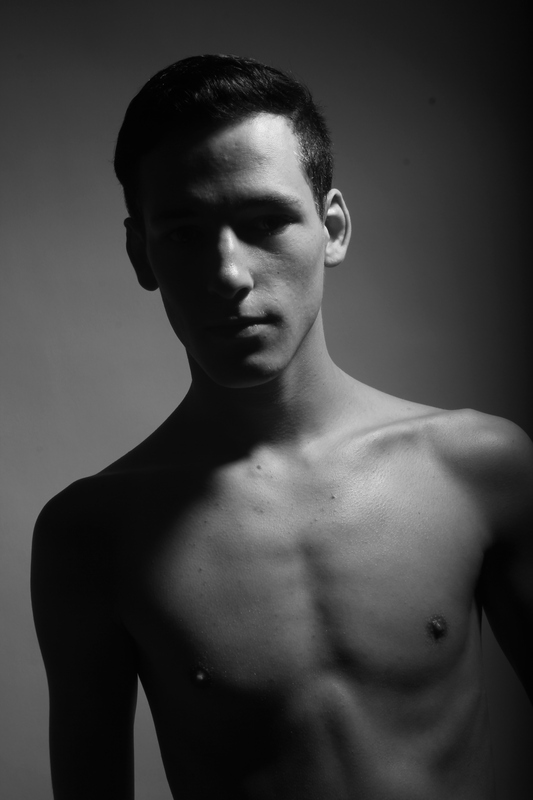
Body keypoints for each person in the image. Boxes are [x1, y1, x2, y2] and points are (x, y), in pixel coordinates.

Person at [31, 54, 533, 800]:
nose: (229, 273)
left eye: (264, 222)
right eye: (184, 233)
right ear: (142, 254)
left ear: (332, 228)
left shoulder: (477, 467)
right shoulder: (91, 536)